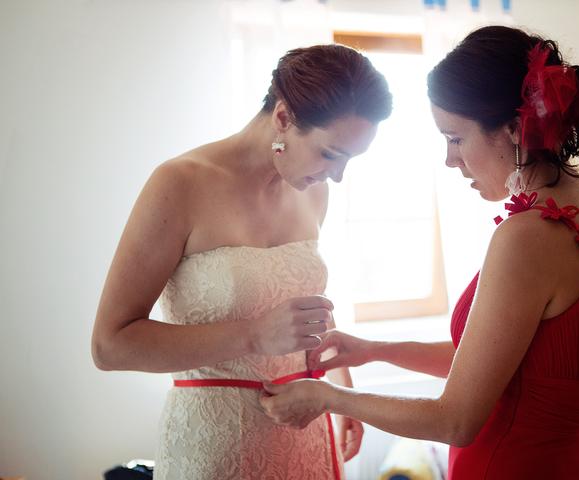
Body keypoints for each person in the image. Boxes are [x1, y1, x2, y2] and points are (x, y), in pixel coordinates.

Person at [260, 25, 579, 479]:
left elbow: (455, 421)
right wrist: (373, 350)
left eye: (455, 138)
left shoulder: (528, 236)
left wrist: (328, 398)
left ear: (515, 129)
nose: (450, 160)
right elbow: (502, 364)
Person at [91, 44, 392, 480]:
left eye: (349, 159)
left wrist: (341, 391)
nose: (338, 175)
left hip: (307, 435)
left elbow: (307, 308)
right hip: (215, 446)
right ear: (284, 118)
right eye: (330, 153)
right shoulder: (179, 184)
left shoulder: (313, 190)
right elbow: (110, 345)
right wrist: (253, 335)